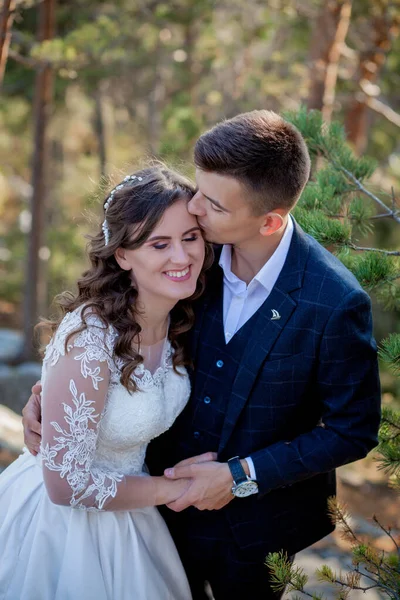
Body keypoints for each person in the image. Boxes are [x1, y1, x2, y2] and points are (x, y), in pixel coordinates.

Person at [23, 110, 381, 600]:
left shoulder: (334, 301)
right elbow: (102, 341)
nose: (192, 207)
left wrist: (242, 476)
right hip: (146, 510)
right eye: (197, 188)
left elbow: (351, 430)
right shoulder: (191, 259)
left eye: (211, 203)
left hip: (257, 531)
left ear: (269, 220)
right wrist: (48, 402)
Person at [0, 165, 214, 600]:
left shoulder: (181, 313)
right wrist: (175, 488)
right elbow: (65, 485)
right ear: (122, 255)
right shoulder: (91, 341)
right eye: (160, 244)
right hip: (63, 527)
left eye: (190, 237)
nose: (182, 256)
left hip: (133, 512)